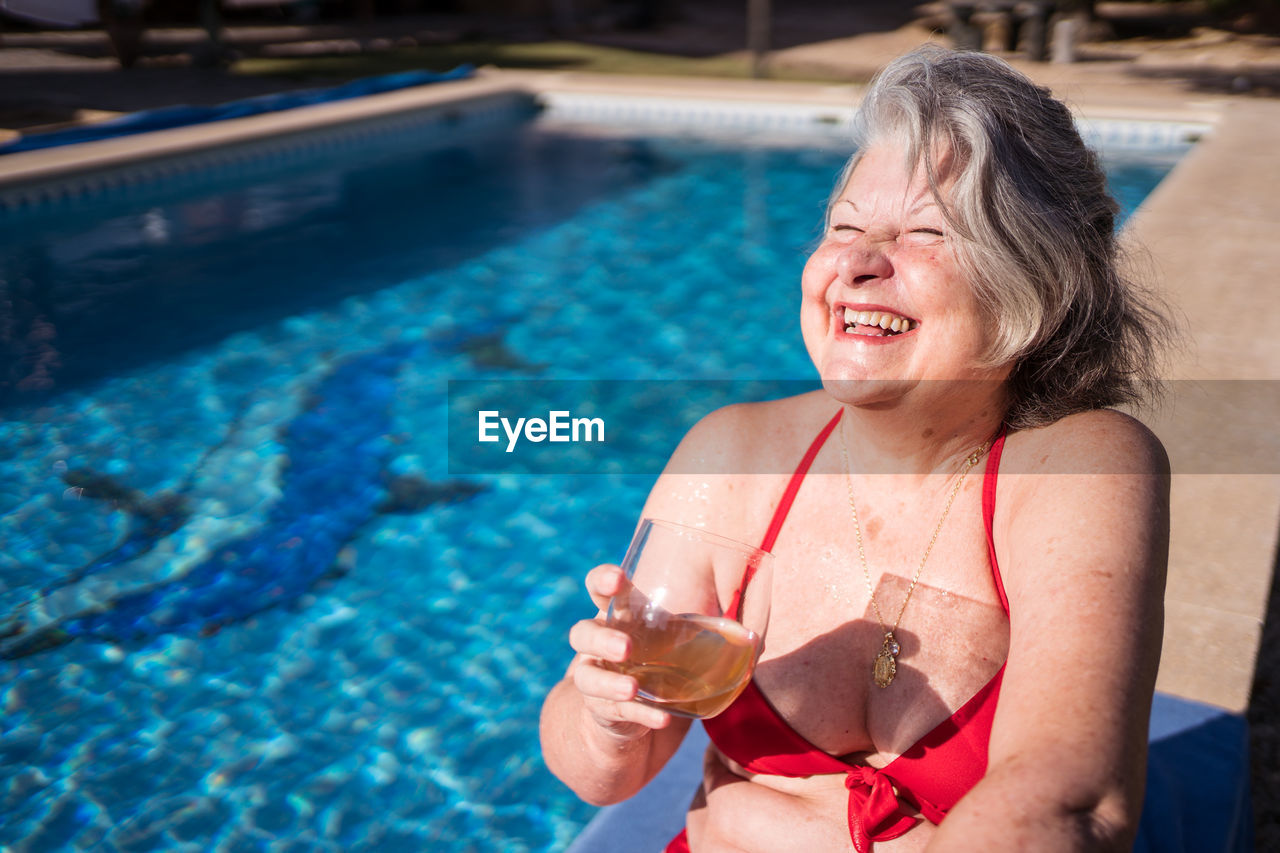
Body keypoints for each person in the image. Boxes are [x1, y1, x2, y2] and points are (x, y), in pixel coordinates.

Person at [540, 44, 1173, 852]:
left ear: (1035, 285)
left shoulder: (1078, 467)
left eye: (922, 233)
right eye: (844, 226)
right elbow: (605, 773)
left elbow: (1066, 799)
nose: (856, 265)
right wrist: (608, 717)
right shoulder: (731, 455)